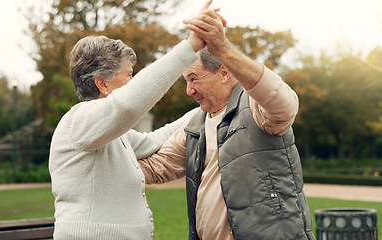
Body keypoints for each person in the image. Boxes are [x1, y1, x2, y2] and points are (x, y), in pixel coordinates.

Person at [48, 3, 228, 238]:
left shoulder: (110, 134)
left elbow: (155, 140)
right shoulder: (78, 121)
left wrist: (208, 105)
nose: (132, 82)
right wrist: (191, 46)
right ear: (102, 84)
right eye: (129, 75)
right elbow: (130, 103)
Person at [138, 4, 315, 240]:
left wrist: (223, 48)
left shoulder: (255, 107)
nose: (189, 90)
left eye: (193, 78)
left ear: (223, 73)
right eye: (186, 81)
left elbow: (284, 103)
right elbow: (154, 168)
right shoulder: (195, 125)